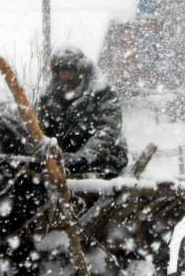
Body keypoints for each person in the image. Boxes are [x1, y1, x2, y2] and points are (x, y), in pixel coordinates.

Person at [36, 44, 129, 179]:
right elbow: (41, 131)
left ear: (80, 69)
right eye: (60, 69)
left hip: (105, 159)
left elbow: (108, 131)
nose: (65, 73)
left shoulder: (102, 92)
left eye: (69, 68)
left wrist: (83, 157)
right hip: (65, 162)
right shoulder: (48, 97)